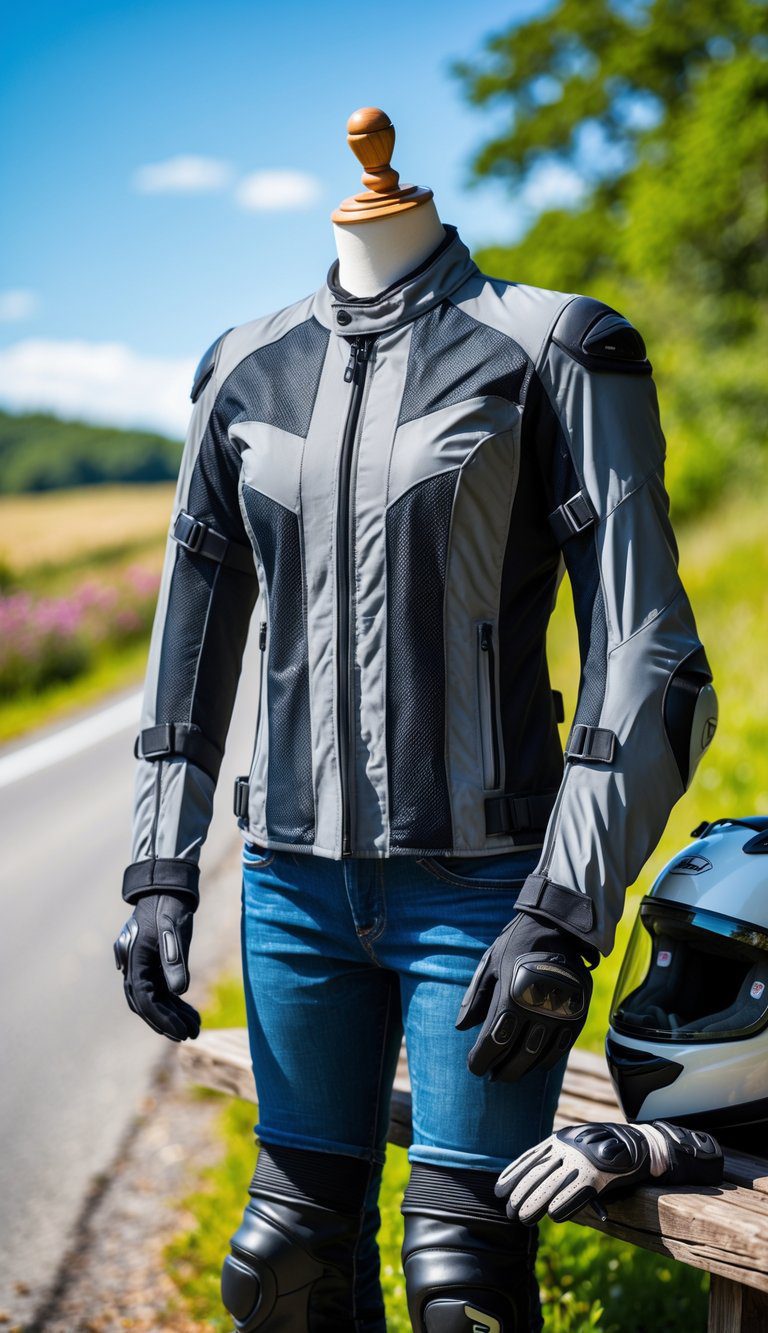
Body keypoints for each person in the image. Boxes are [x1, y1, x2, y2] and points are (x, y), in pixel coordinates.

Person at [114, 110, 717, 1333]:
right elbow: (188, 652)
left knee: (461, 1288)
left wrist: (563, 909)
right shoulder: (242, 364)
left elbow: (654, 657)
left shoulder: (553, 346)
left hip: (487, 898)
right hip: (289, 892)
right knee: (282, 1266)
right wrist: (158, 869)